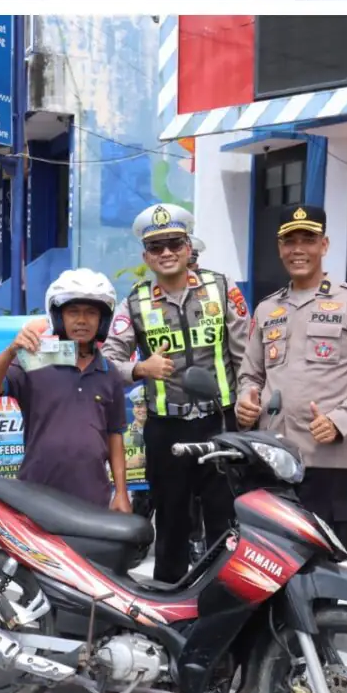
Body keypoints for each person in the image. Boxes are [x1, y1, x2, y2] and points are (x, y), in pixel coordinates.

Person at [103, 203, 248, 581]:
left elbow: (247, 356)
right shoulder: (134, 302)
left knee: (226, 522)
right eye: (156, 247)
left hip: (221, 424)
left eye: (174, 244)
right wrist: (140, 369)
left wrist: (249, 399)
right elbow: (108, 363)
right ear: (146, 256)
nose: (166, 252)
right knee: (171, 523)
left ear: (188, 248)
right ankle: (169, 599)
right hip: (166, 429)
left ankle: (223, 598)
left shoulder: (221, 288)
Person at [236, 205, 347, 552]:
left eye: (308, 240)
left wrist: (339, 421)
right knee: (271, 554)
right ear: (279, 248)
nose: (298, 249)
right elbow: (251, 374)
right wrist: (246, 398)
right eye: (290, 241)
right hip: (272, 453)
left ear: (324, 245)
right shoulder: (267, 308)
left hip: (325, 456)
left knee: (322, 556)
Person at [0, 269, 129, 513]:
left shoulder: (109, 372)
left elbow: (115, 435)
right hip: (36, 491)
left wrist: (121, 492)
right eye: (73, 312)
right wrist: (12, 350)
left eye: (91, 313)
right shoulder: (34, 362)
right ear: (58, 317)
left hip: (92, 495)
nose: (82, 320)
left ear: (102, 320)